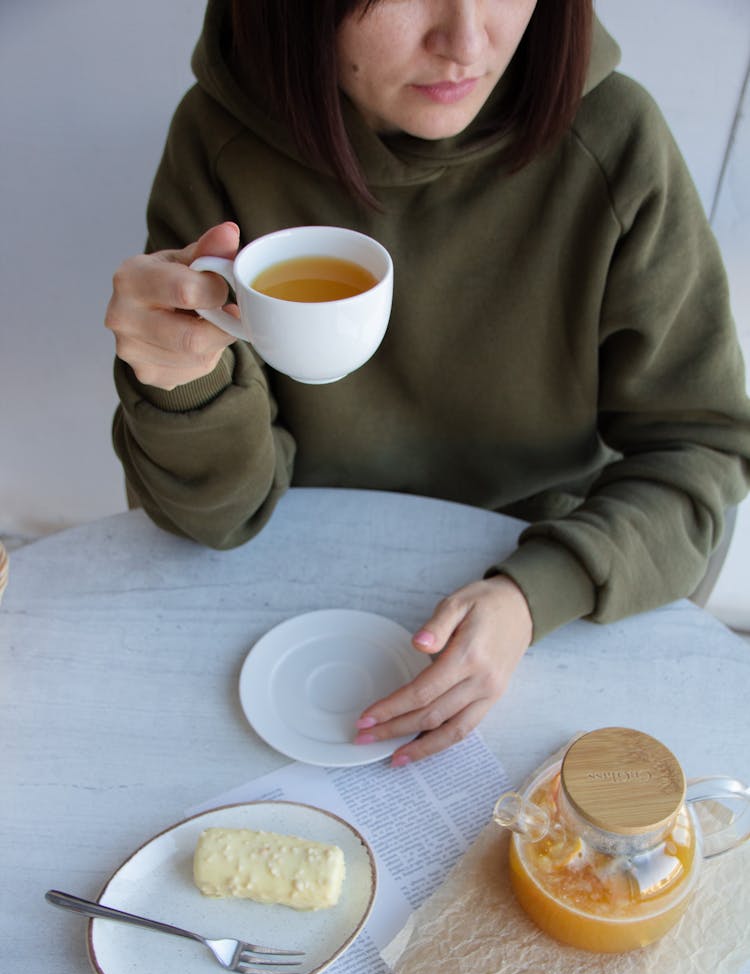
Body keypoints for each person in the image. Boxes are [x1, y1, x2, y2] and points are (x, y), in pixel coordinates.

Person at [106, 0, 750, 767]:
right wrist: (183, 385)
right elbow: (214, 520)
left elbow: (701, 451)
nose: (467, 42)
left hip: (555, 605)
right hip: (287, 599)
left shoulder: (615, 143)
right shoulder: (221, 142)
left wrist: (533, 595)